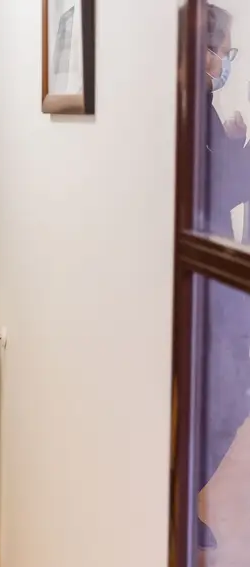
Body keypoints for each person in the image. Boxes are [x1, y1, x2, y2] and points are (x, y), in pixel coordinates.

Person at [192, 2, 250, 553]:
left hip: (216, 278)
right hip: (203, 282)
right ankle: (179, 500)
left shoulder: (202, 107)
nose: (225, 61)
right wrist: (243, 150)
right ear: (204, 51)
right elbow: (216, 190)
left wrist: (231, 143)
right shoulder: (189, 110)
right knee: (225, 397)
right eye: (225, 52)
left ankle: (182, 500)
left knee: (229, 394)